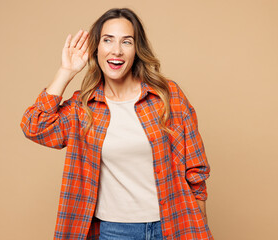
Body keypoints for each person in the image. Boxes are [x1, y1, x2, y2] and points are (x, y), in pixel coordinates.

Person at [20, 7, 213, 240]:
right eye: (108, 40)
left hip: (172, 224)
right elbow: (34, 126)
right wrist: (66, 71)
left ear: (136, 50)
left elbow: (195, 170)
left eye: (127, 42)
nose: (117, 51)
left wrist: (200, 227)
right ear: (97, 47)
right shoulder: (84, 107)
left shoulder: (167, 96)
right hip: (115, 230)